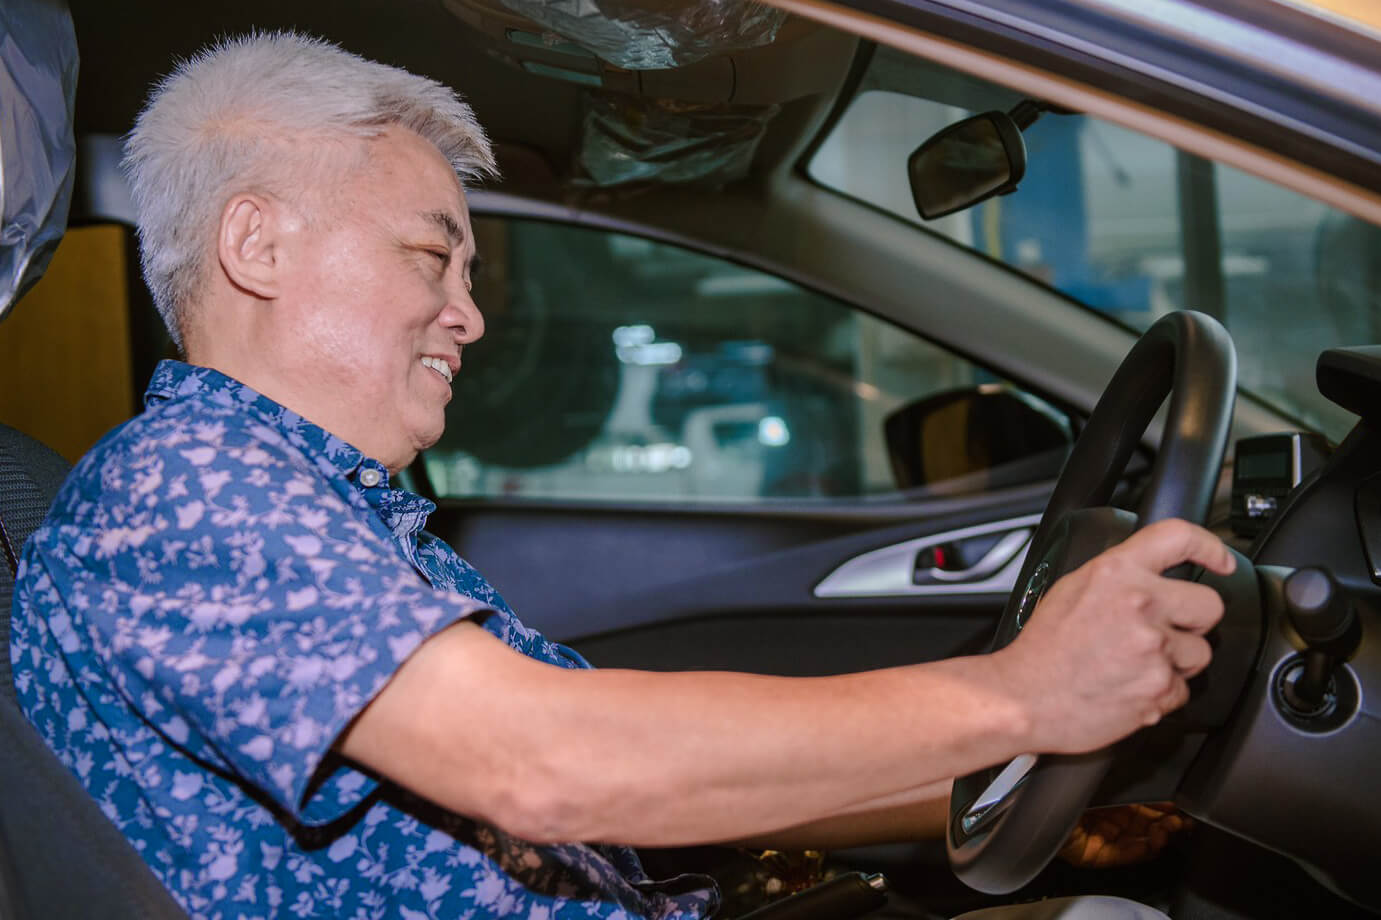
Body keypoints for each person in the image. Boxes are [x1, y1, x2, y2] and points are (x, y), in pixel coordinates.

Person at [9, 32, 1232, 920]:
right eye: (431, 257)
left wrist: (1005, 781)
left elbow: (633, 793)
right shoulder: (187, 494)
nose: (468, 316)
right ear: (257, 245)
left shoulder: (322, 507)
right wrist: (1023, 695)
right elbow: (549, 765)